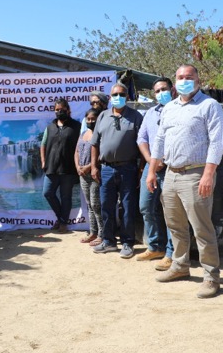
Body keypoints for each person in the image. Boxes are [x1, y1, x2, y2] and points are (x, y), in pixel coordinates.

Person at [147, 64, 223, 298]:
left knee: (202, 228)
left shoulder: (209, 105)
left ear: (198, 80)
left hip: (196, 174)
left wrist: (209, 174)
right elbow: (159, 141)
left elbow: (218, 142)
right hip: (170, 174)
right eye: (180, 77)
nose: (184, 80)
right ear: (174, 81)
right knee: (175, 225)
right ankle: (180, 266)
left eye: (189, 77)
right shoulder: (169, 108)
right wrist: (152, 171)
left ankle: (211, 276)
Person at [90, 82, 143, 258]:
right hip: (106, 168)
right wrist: (93, 166)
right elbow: (94, 143)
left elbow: (143, 144)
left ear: (127, 97)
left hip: (128, 168)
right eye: (114, 95)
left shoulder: (136, 116)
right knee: (106, 206)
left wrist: (141, 167)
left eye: (121, 94)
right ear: (110, 97)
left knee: (127, 207)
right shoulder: (103, 116)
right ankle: (109, 241)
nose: (118, 98)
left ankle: (128, 243)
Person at [136, 77, 175, 266]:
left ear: (172, 90)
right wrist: (151, 160)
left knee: (172, 212)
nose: (161, 93)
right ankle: (155, 246)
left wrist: (163, 161)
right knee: (146, 206)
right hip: (151, 168)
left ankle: (172, 252)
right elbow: (141, 138)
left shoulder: (180, 110)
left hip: (172, 169)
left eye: (164, 89)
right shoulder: (150, 113)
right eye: (157, 91)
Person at [40, 98, 82, 233]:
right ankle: (61, 218)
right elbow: (43, 145)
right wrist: (43, 161)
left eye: (62, 109)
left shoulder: (77, 126)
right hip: (51, 168)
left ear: (68, 110)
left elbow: (82, 145)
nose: (59, 112)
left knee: (66, 197)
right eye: (57, 110)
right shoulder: (49, 127)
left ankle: (63, 223)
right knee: (47, 193)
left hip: (69, 169)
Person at [75, 108, 103, 244]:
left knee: (96, 204)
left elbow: (101, 154)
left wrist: (88, 167)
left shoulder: (100, 134)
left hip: (94, 174)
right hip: (82, 174)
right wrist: (78, 167)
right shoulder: (83, 133)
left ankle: (102, 234)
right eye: (89, 119)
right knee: (89, 205)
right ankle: (93, 232)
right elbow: (76, 151)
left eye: (93, 119)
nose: (91, 121)